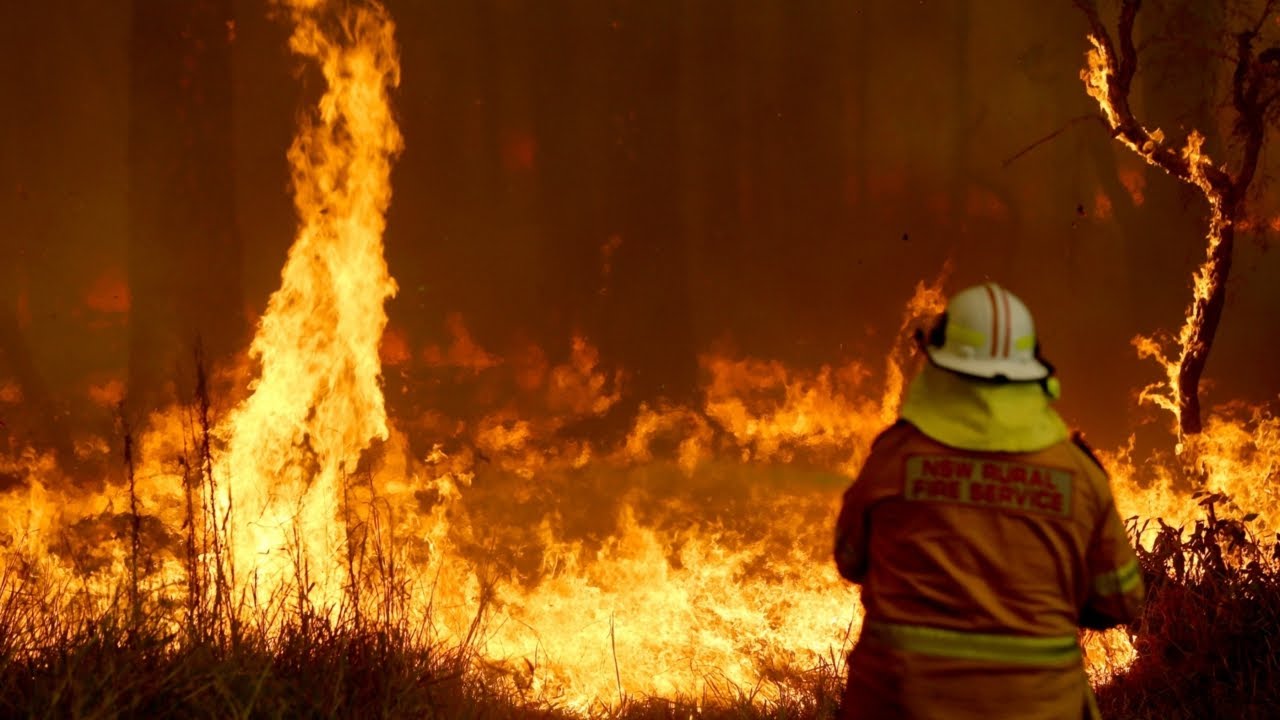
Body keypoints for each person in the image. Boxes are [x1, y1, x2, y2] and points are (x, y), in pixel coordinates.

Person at [833, 282, 1144, 719]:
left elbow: (850, 559)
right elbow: (1119, 600)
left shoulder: (893, 458)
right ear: (1031, 375)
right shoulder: (1079, 474)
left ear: (940, 369)